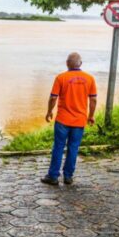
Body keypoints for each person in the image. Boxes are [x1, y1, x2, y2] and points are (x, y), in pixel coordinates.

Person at [41, 52, 97, 186]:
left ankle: (53, 176)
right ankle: (68, 177)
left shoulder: (61, 77)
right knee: (73, 148)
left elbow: (53, 97)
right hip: (79, 120)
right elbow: (93, 99)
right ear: (80, 64)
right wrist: (91, 115)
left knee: (58, 147)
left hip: (63, 120)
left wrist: (49, 111)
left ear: (67, 64)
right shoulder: (90, 78)